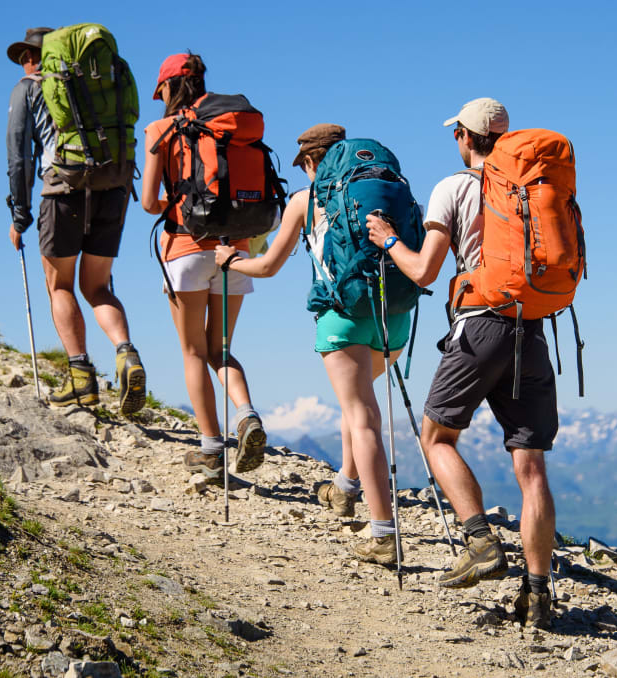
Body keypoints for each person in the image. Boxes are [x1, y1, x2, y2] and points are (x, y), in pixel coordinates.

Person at [367, 98, 558, 628]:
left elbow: (426, 270)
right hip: (533, 326)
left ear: (466, 138)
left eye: (457, 134)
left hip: (480, 325)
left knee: (436, 438)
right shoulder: (530, 191)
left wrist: (387, 242)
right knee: (532, 465)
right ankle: (538, 594)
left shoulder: (453, 187)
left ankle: (479, 540)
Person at [215, 123, 409, 565]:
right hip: (395, 317)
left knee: (361, 414)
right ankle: (344, 487)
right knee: (357, 402)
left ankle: (383, 534)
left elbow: (267, 266)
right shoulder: (377, 190)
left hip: (343, 320)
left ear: (310, 162)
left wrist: (232, 260)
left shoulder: (306, 201)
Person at [6, 27, 146, 414]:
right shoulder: (92, 84)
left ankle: (80, 376)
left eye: (26, 57)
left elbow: (20, 157)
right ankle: (126, 354)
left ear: (38, 58)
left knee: (60, 285)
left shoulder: (28, 90)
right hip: (113, 186)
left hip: (62, 190)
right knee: (98, 286)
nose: (24, 65)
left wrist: (20, 214)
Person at [141, 52, 267, 482]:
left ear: (165, 88)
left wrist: (175, 204)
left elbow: (148, 202)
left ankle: (210, 450)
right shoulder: (232, 125)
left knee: (193, 351)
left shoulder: (161, 129)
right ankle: (246, 414)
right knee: (222, 349)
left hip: (186, 248)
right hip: (236, 249)